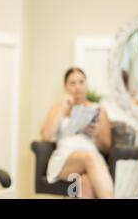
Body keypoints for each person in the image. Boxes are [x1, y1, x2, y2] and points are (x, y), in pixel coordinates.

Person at [40, 67, 114, 198]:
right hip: (66, 160)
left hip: (93, 161)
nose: (77, 87)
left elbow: (107, 147)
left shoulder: (99, 109)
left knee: (85, 182)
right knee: (89, 157)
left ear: (86, 84)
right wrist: (63, 108)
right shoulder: (58, 108)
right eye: (72, 83)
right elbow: (46, 136)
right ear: (65, 86)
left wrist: (96, 134)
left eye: (81, 82)